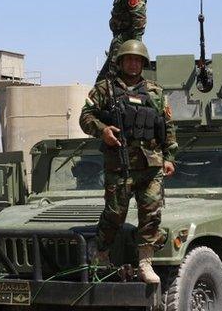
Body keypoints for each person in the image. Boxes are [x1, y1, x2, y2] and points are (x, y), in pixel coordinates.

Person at [79, 39, 177, 284]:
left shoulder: (156, 91)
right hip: (119, 164)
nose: (133, 64)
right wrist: (102, 130)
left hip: (151, 164)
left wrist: (170, 157)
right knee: (114, 214)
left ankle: (145, 263)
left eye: (137, 60)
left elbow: (167, 127)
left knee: (151, 214)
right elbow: (85, 117)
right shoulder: (104, 89)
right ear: (120, 62)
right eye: (129, 59)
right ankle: (101, 256)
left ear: (143, 63)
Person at [97, 0, 148, 82]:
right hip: (121, 40)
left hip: (126, 41)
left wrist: (134, 48)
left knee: (110, 79)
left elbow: (139, 18)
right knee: (107, 80)